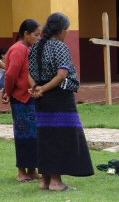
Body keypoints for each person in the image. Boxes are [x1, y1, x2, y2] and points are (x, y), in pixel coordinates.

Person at [28, 12, 94, 191]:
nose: (67, 33)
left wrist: (36, 88)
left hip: (42, 100)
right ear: (62, 30)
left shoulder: (36, 46)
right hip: (59, 98)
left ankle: (45, 180)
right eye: (67, 30)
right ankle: (56, 182)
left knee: (46, 137)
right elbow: (62, 75)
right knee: (61, 136)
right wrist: (44, 88)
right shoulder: (59, 46)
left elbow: (30, 73)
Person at [2, 19, 41, 182]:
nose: (38, 38)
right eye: (35, 35)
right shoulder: (18, 49)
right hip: (21, 99)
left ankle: (32, 169)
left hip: (29, 98)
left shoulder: (27, 48)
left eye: (40, 35)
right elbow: (11, 74)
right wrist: (8, 92)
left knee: (32, 135)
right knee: (23, 134)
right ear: (26, 34)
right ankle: (21, 172)